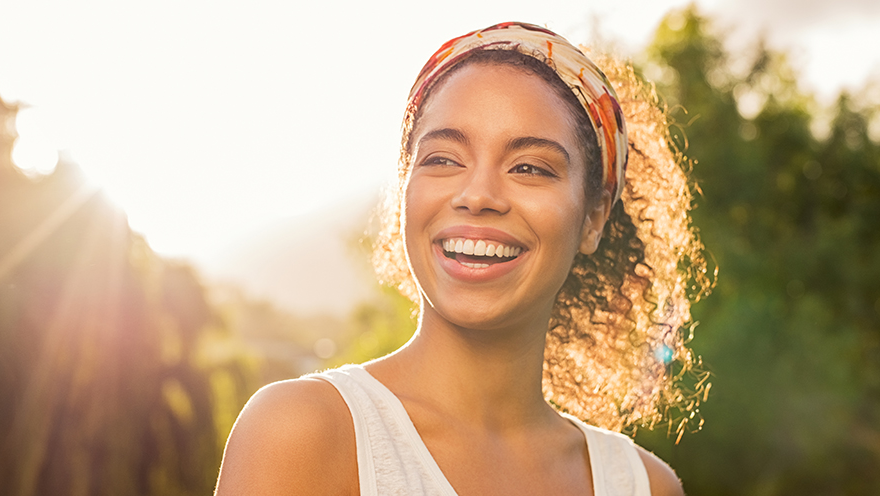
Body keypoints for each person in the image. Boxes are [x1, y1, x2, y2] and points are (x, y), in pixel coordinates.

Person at [215, 21, 710, 496]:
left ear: (594, 217)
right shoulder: (303, 433)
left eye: (530, 167)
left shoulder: (642, 485)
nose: (478, 195)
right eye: (444, 159)